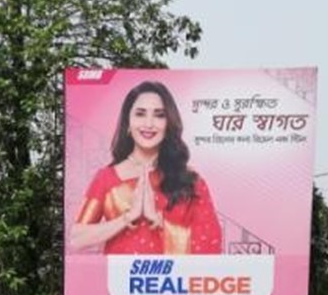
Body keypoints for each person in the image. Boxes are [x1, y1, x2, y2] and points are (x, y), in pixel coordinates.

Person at [71, 81, 222, 256]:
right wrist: (127, 218)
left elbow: (212, 244)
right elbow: (77, 238)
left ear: (168, 123)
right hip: (119, 282)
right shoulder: (107, 178)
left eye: (159, 115)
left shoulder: (190, 180)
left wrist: (157, 219)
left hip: (173, 282)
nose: (149, 124)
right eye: (140, 114)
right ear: (128, 121)